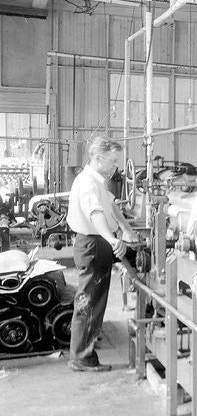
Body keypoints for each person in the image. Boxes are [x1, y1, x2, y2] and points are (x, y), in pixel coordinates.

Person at [66, 137, 138, 372]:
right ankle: (81, 357)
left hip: (97, 244)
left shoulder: (97, 182)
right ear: (97, 159)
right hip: (93, 244)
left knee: (94, 301)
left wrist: (126, 228)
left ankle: (84, 348)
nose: (116, 166)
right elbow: (96, 213)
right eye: (113, 161)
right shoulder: (87, 183)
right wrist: (112, 238)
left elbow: (110, 204)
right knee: (89, 301)